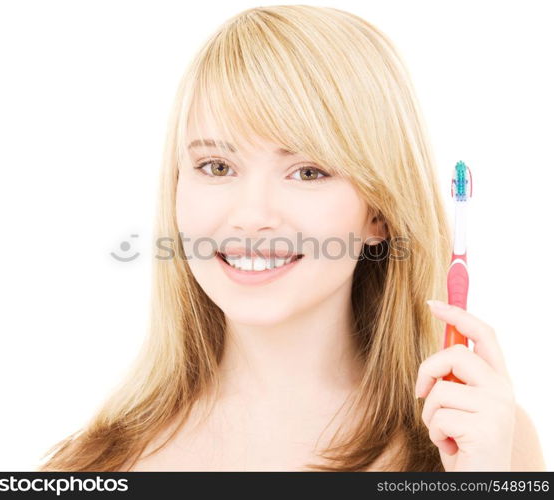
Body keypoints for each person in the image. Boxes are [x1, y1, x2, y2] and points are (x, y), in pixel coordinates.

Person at [37, 5, 545, 472]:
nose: (252, 216)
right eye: (216, 166)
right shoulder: (89, 469)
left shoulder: (480, 442)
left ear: (380, 213)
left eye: (307, 171)